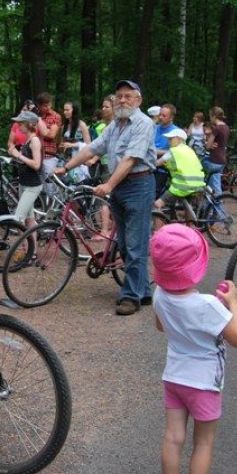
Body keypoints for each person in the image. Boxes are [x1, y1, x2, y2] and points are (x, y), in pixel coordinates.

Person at [150, 224, 237, 474]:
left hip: (174, 377)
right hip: (205, 383)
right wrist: (233, 303)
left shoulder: (159, 295)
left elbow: (161, 326)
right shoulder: (208, 305)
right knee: (203, 443)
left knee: (173, 438)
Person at [55, 81, 156, 316]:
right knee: (125, 243)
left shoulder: (144, 123)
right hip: (120, 186)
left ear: (138, 100)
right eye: (119, 96)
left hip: (139, 185)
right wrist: (66, 167)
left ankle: (130, 297)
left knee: (135, 244)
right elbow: (92, 149)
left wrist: (109, 184)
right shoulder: (115, 125)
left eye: (128, 96)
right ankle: (143, 290)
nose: (122, 100)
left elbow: (131, 159)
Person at [152, 128, 204, 216]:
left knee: (157, 205)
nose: (169, 141)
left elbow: (157, 163)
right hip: (197, 183)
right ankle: (191, 223)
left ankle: (160, 225)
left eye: (171, 139)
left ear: (179, 139)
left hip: (182, 185)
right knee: (188, 207)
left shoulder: (174, 151)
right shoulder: (189, 150)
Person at [7, 111, 42, 235]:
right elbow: (24, 161)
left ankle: (25, 246)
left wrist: (19, 155)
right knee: (29, 219)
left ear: (29, 124)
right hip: (23, 184)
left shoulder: (35, 141)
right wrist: (14, 154)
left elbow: (36, 165)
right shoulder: (27, 140)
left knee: (18, 220)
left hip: (32, 186)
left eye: (21, 123)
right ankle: (32, 247)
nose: (18, 126)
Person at [202, 106, 230, 195]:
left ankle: (219, 204)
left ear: (214, 116)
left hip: (215, 160)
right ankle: (208, 202)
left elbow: (208, 146)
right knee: (213, 184)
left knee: (215, 186)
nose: (210, 119)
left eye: (210, 116)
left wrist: (206, 144)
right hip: (222, 159)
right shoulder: (226, 127)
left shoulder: (217, 128)